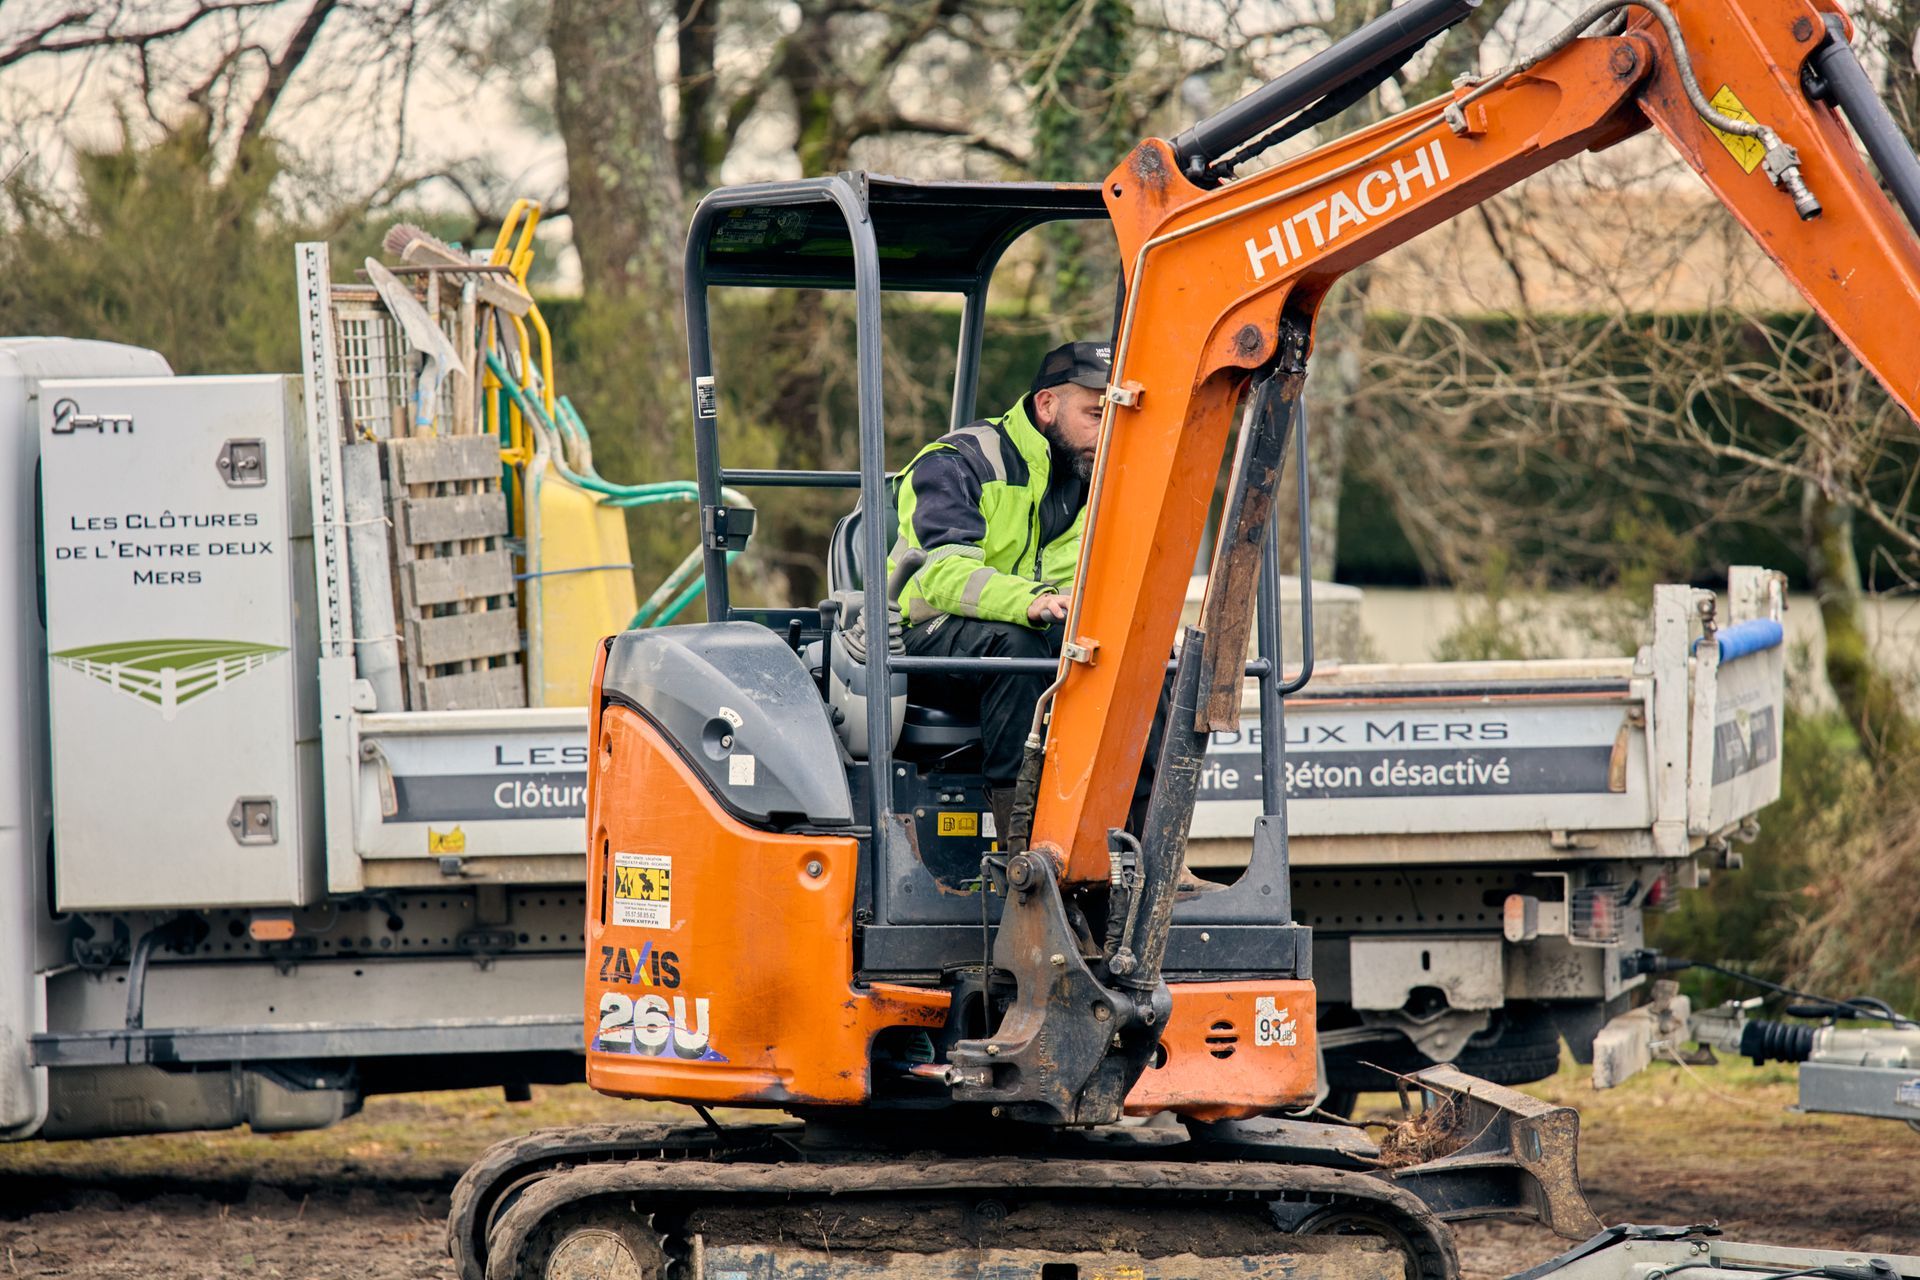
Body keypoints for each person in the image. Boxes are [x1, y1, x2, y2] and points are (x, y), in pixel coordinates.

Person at [890, 340, 1108, 831]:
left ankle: (1145, 839)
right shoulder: (957, 463)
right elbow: (942, 574)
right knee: (1016, 647)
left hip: (1027, 631)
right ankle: (1023, 840)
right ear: (1047, 404)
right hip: (922, 637)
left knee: (1146, 660)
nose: (1109, 429)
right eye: (1096, 413)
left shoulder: (1091, 474)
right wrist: (1035, 602)